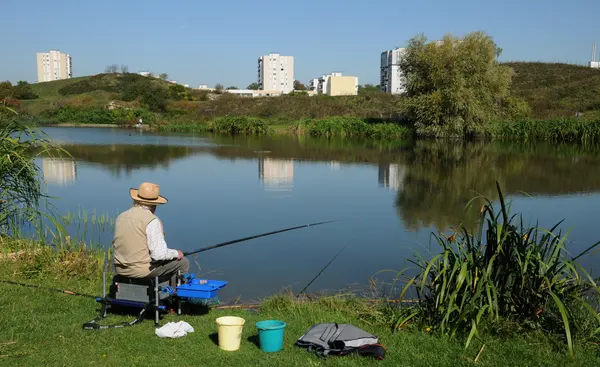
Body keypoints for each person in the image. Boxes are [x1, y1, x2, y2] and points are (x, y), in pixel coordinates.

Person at [112, 182, 189, 286]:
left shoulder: (121, 216)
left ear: (136, 199)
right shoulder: (152, 221)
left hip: (120, 269)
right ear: (155, 204)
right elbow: (158, 255)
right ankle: (172, 297)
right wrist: (176, 253)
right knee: (183, 263)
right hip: (142, 271)